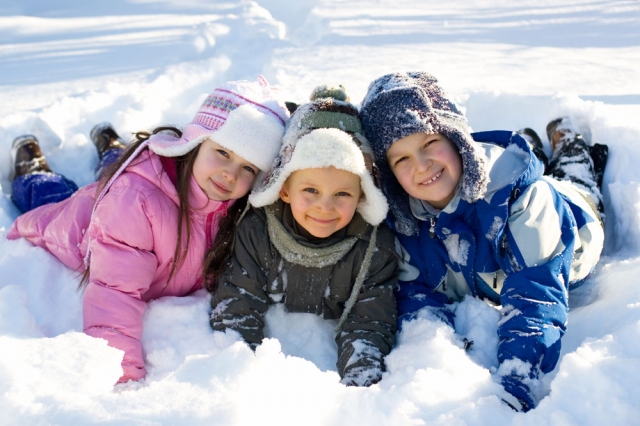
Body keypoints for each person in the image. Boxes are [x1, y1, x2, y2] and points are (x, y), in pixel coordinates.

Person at [7, 76, 289, 384]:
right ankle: (31, 166)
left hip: (134, 191)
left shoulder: (238, 209)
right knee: (50, 194)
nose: (230, 173)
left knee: (117, 166)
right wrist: (121, 373)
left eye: (248, 167)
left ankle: (111, 147)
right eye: (223, 152)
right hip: (80, 222)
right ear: (196, 142)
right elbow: (114, 293)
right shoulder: (134, 204)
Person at [359, 72, 607, 411]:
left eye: (429, 143)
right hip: (489, 253)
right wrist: (432, 354)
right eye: (401, 159)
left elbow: (535, 298)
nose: (421, 165)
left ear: (456, 137)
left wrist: (517, 382)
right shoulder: (406, 219)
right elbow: (417, 293)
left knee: (572, 183)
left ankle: (571, 150)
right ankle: (531, 144)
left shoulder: (523, 201)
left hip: (571, 222)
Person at [208, 86, 399, 387]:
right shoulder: (258, 231)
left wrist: (362, 388)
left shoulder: (374, 248)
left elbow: (369, 323)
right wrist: (241, 377)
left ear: (362, 195)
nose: (325, 207)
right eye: (310, 190)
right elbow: (237, 303)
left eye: (342, 193)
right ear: (284, 189)